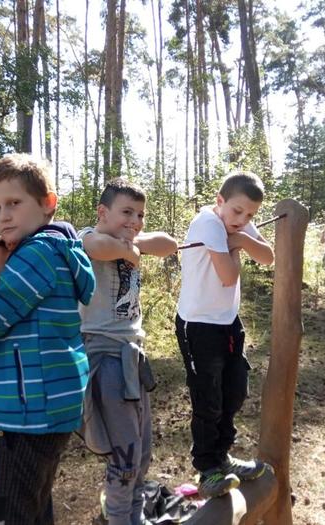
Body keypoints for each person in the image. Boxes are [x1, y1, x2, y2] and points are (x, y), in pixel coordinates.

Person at [0, 153, 96, 525]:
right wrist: (0, 257)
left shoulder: (36, 255)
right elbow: (2, 303)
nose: (3, 216)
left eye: (14, 203)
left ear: (48, 203)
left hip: (29, 411)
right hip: (46, 405)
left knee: (11, 513)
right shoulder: (53, 248)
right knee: (33, 506)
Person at [78, 178, 178, 525]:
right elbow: (96, 246)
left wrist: (133, 243)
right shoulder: (88, 238)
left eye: (140, 215)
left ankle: (134, 514)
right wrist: (126, 250)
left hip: (132, 358)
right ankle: (120, 517)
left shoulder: (131, 239)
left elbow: (169, 244)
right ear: (102, 212)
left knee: (141, 451)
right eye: (126, 212)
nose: (135, 221)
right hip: (105, 357)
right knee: (124, 456)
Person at [174, 171, 274, 499]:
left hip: (227, 322)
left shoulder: (237, 224)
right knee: (208, 398)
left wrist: (242, 239)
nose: (242, 220)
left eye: (251, 216)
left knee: (235, 390)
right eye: (237, 211)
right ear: (220, 201)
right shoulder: (208, 223)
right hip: (198, 325)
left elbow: (268, 257)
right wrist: (241, 243)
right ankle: (208, 469)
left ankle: (223, 456)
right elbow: (228, 276)